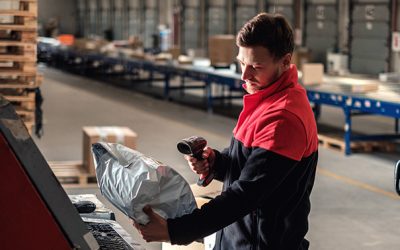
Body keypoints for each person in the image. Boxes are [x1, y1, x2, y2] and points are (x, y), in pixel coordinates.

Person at [133, 12, 319, 249]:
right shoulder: (265, 99)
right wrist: (217, 163)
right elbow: (252, 166)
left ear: (285, 61)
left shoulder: (284, 118)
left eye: (256, 66)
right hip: (241, 236)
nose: (244, 75)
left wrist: (175, 231)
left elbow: (246, 195)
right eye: (242, 63)